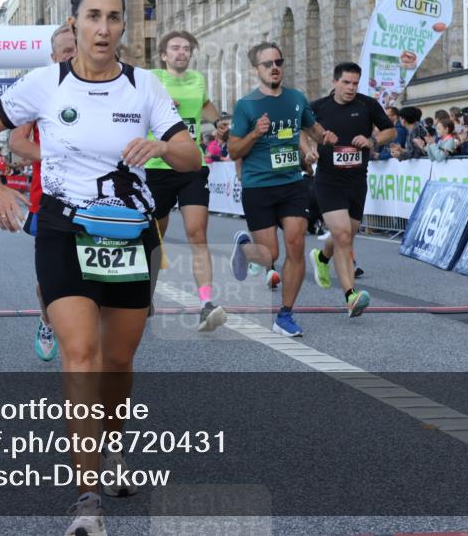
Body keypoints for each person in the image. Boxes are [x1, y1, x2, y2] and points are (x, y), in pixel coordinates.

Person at [0, 0, 200, 536]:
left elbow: (191, 156)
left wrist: (163, 145)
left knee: (118, 362)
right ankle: (87, 496)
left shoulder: (143, 87)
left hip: (127, 236)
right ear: (74, 25)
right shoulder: (44, 84)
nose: (103, 28)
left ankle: (112, 450)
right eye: (93, 17)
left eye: (114, 18)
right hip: (63, 231)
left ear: (123, 27)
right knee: (80, 352)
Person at [227, 41, 338, 337]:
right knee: (269, 255)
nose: (275, 67)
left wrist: (326, 137)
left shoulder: (296, 98)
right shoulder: (246, 106)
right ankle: (246, 250)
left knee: (296, 244)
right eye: (268, 64)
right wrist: (255, 133)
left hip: (292, 183)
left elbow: (312, 128)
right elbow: (234, 149)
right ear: (257, 70)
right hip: (259, 187)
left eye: (279, 62)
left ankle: (285, 315)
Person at [146, 30, 227, 332]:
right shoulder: (150, 78)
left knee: (198, 234)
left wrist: (218, 122)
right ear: (164, 55)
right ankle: (147, 295)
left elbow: (206, 105)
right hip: (157, 166)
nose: (181, 53)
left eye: (186, 49)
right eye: (175, 49)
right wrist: (162, 105)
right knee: (155, 238)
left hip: (192, 165)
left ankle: (206, 303)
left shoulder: (197, 79)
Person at [8, 23, 77, 362]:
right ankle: (47, 318)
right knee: (51, 280)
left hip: (102, 201)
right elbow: (17, 141)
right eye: (67, 51)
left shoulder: (115, 87)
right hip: (48, 201)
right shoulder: (41, 91)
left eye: (78, 48)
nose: (74, 56)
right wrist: (58, 154)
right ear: (54, 58)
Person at [304, 62, 395, 317]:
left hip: (357, 181)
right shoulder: (318, 107)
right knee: (343, 235)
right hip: (328, 181)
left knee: (346, 235)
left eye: (355, 83)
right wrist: (308, 151)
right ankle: (351, 296)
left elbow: (390, 131)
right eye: (346, 82)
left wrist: (372, 140)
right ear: (335, 82)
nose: (351, 88)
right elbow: (302, 131)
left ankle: (322, 258)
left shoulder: (366, 105)